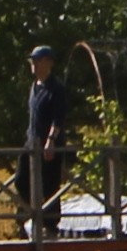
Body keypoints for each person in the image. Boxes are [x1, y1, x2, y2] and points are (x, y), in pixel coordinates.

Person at [21, 46, 81, 237]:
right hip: (32, 142)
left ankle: (50, 225)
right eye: (32, 61)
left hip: (49, 143)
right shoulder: (34, 86)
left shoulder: (56, 89)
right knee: (21, 179)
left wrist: (51, 140)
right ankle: (34, 213)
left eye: (37, 61)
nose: (34, 64)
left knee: (50, 184)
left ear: (48, 63)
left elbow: (58, 117)